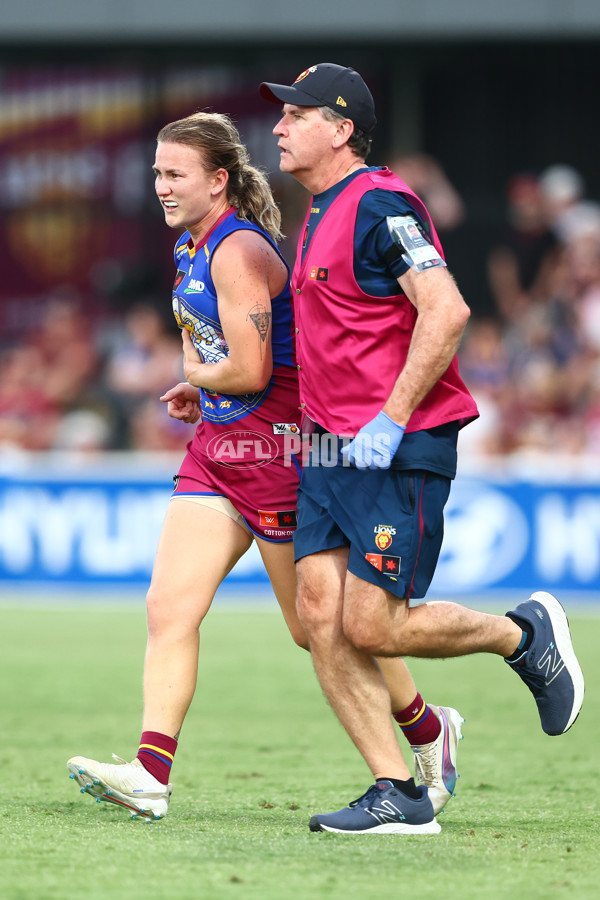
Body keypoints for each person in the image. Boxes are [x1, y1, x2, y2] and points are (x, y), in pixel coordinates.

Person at [66, 111, 463, 822]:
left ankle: (430, 728)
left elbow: (247, 370)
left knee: (320, 632)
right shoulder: (194, 245)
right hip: (217, 457)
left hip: (277, 457)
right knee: (169, 608)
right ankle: (150, 773)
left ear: (218, 180)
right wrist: (202, 383)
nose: (160, 185)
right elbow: (239, 359)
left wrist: (192, 367)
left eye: (174, 174)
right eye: (156, 172)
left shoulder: (236, 251)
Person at [259, 63, 585, 835]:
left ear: (339, 129)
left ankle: (523, 634)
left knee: (372, 624)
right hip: (331, 452)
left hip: (395, 447)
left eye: (295, 114)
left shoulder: (381, 201)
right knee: (318, 617)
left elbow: (447, 309)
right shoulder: (318, 210)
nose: (278, 126)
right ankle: (398, 793)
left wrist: (390, 419)